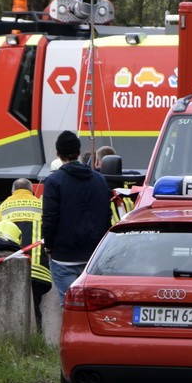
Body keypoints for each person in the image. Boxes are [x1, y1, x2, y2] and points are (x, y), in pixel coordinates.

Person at [42, 131, 112, 305]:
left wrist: (49, 246)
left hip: (64, 257)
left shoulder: (54, 181)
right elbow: (107, 215)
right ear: (79, 152)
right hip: (94, 256)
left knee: (70, 308)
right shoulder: (100, 180)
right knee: (95, 308)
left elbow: (50, 218)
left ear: (58, 154)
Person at [0, 178, 53, 331]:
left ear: (12, 192)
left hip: (11, 267)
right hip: (39, 270)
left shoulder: (3, 207)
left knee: (12, 310)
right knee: (35, 310)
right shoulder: (41, 205)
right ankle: (37, 343)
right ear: (32, 191)